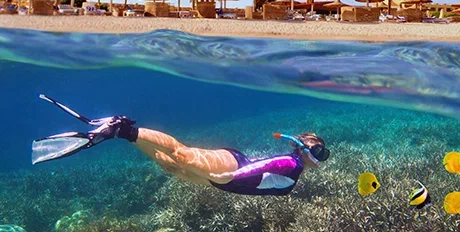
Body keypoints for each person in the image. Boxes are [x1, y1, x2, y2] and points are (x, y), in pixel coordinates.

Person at [32, 94, 330, 196]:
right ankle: (125, 127)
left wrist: (226, 181)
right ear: (303, 149)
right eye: (319, 151)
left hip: (224, 181)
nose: (321, 157)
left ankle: (121, 135)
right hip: (232, 168)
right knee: (183, 155)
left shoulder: (296, 169)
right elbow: (264, 166)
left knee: (173, 167)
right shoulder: (291, 163)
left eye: (323, 153)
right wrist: (231, 175)